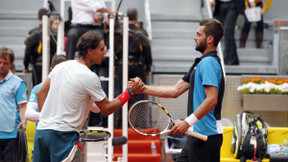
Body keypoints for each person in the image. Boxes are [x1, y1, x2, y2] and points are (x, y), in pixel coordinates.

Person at [33, 31, 143, 162]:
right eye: (102, 49)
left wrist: (45, 118)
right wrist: (129, 92)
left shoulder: (60, 66)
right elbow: (107, 108)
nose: (105, 53)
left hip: (41, 132)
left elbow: (40, 93)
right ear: (90, 51)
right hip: (63, 136)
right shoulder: (89, 77)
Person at [130, 19, 225, 162]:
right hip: (196, 136)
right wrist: (143, 88)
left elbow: (212, 99)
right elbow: (175, 91)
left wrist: (187, 122)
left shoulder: (208, 63)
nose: (195, 37)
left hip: (206, 137)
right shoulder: (200, 63)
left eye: (198, 34)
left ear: (210, 39)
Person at [114, 8, 153, 128]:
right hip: (137, 66)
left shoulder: (118, 31)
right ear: (136, 17)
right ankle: (137, 124)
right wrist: (148, 67)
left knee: (122, 93)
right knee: (138, 93)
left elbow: (114, 50)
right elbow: (147, 50)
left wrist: (115, 66)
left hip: (122, 65)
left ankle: (121, 123)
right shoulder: (141, 32)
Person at [0, 47, 28, 161]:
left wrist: (24, 120)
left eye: (5, 63)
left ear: (11, 64)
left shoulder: (18, 83)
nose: (1, 65)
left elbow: (22, 106)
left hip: (10, 136)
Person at [23, 9, 60, 86]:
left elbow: (28, 50)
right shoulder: (55, 32)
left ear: (38, 17)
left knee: (38, 87)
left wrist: (26, 66)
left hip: (37, 64)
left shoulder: (33, 32)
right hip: (53, 64)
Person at [210, 0, 245, 65]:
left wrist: (251, 1)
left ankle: (227, 57)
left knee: (228, 29)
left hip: (233, 4)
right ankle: (233, 59)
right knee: (225, 32)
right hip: (221, 4)